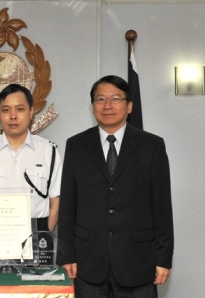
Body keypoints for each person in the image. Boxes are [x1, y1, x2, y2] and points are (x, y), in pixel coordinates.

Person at [57, 75, 174, 298]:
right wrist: (67, 255)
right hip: (88, 261)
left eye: (115, 98)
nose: (107, 105)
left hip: (139, 261)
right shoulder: (76, 145)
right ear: (93, 106)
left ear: (129, 106)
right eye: (100, 99)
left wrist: (163, 259)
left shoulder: (152, 146)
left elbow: (162, 207)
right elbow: (68, 206)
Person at [0, 83, 62, 235]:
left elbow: (56, 204)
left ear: (31, 112)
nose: (13, 116)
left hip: (38, 234)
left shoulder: (49, 152)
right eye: (6, 110)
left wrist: (42, 238)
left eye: (20, 109)